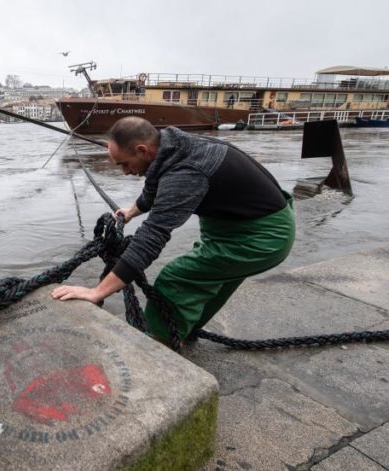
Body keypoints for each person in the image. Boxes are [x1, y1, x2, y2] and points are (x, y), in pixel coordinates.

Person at [52, 116, 295, 346]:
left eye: (124, 164)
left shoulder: (185, 173)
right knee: (209, 280)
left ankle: (159, 345)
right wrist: (131, 212)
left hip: (263, 236)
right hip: (240, 222)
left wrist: (97, 292)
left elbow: (151, 238)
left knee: (177, 278)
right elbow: (154, 186)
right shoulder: (171, 146)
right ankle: (181, 332)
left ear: (142, 150)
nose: (124, 172)